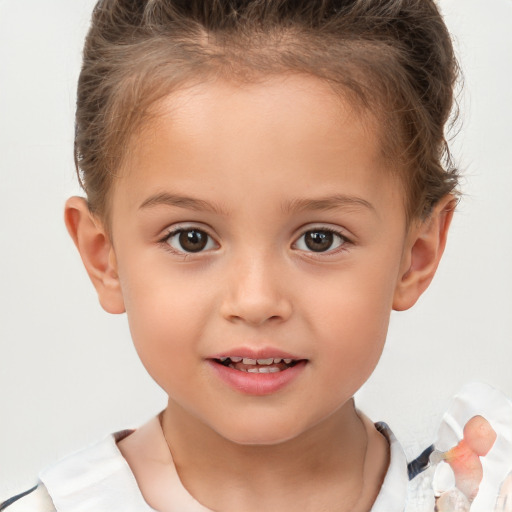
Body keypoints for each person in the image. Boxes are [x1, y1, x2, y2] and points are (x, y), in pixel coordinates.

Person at [2, 1, 510, 511]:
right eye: (191, 239)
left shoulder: (483, 495)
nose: (255, 300)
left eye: (319, 239)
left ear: (415, 256)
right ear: (103, 255)